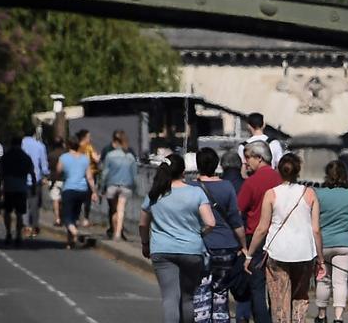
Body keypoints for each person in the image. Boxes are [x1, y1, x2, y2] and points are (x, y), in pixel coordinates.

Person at [245, 154, 323, 323]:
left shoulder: (271, 194)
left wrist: (249, 254)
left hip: (278, 252)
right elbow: (316, 229)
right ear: (298, 171)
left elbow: (262, 228)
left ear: (279, 171)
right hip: (304, 253)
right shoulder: (309, 193)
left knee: (280, 300)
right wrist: (321, 259)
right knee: (300, 297)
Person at [140, 154, 215, 323]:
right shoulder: (196, 192)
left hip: (162, 249)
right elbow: (210, 222)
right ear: (183, 172)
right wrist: (198, 234)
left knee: (170, 298)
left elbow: (143, 224)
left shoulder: (154, 194)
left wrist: (145, 244)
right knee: (187, 297)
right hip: (191, 250)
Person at [191, 148, 248, 323]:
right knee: (221, 290)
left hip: (201, 245)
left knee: (202, 289)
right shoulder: (226, 186)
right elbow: (235, 220)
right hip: (226, 246)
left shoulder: (191, 187)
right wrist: (244, 245)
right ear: (217, 165)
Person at [237, 140, 283, 323]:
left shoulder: (251, 183)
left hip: (255, 237)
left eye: (248, 158)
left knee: (257, 286)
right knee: (277, 284)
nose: (246, 162)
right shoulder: (280, 179)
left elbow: (239, 209)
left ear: (260, 158)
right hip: (279, 236)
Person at [314, 160, 348, 323]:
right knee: (340, 281)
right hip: (345, 243)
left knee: (323, 279)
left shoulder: (318, 194)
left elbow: (313, 221)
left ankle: (321, 315)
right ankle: (338, 317)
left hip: (323, 244)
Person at [57, 134, 99, 249]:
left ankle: (74, 232)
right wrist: (94, 192)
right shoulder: (85, 158)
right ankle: (70, 242)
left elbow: (58, 171)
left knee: (66, 216)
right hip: (82, 190)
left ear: (68, 145)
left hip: (69, 189)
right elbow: (90, 177)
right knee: (74, 216)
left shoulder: (64, 157)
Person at [0, 136, 36, 247]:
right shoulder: (26, 157)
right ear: (21, 144)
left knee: (7, 212)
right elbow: (32, 174)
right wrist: (33, 187)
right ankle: (18, 235)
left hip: (9, 186)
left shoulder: (6, 156)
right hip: (21, 187)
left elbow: (1, 174)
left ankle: (9, 232)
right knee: (19, 213)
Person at [101, 130, 139, 241]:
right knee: (121, 209)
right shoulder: (130, 156)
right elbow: (134, 174)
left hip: (112, 184)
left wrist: (102, 185)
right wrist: (135, 187)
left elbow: (105, 172)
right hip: (126, 185)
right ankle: (118, 233)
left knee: (113, 210)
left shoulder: (110, 155)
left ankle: (114, 230)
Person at [21, 127, 49, 237]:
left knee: (24, 203)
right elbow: (44, 165)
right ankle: (34, 226)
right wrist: (46, 174)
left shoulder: (22, 144)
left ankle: (26, 226)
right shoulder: (40, 146)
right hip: (35, 179)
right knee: (34, 203)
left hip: (22, 177)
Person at [77, 129, 100, 227]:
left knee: (78, 198)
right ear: (85, 138)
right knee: (87, 198)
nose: (90, 139)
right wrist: (100, 156)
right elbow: (96, 159)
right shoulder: (89, 147)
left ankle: (77, 218)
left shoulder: (76, 147)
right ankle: (86, 218)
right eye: (89, 137)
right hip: (90, 173)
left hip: (78, 174)